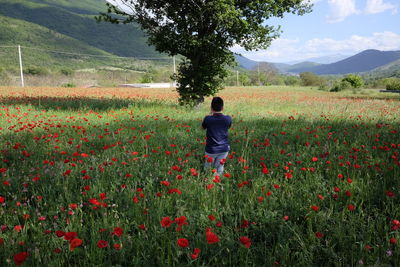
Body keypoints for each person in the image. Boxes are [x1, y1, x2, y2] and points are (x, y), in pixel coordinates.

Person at [202, 96, 232, 175]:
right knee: (220, 166)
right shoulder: (228, 118)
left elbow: (202, 127)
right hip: (224, 149)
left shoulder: (208, 119)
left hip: (211, 149)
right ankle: (218, 179)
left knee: (208, 167)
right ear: (222, 108)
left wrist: (209, 115)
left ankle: (208, 180)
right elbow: (228, 126)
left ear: (211, 108)